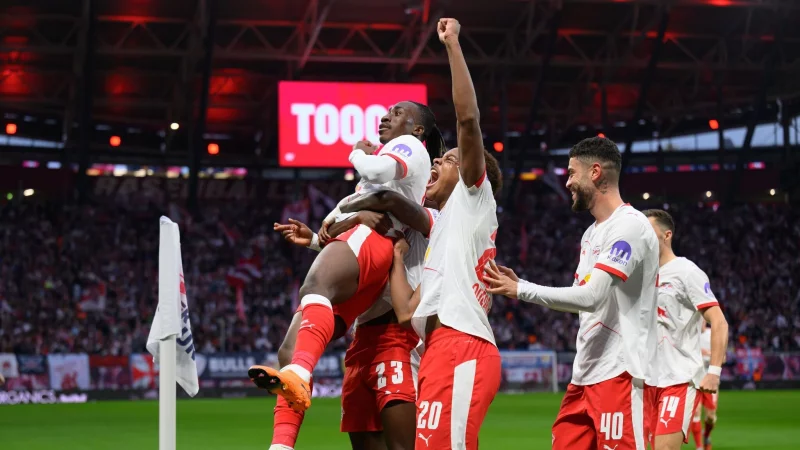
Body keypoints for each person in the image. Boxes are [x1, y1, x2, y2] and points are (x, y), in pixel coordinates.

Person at [248, 98, 446, 417]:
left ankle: (300, 374)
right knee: (290, 351)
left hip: (391, 308)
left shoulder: (412, 158)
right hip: (369, 305)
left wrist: (356, 153)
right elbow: (358, 207)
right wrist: (319, 238)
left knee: (314, 289)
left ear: (417, 130)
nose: (386, 117)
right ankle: (283, 434)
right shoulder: (397, 180)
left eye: (397, 113)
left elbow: (380, 189)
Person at [483, 136, 659, 450]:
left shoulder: (631, 226)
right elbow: (581, 299)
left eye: (571, 173)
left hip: (620, 374)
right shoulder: (591, 234)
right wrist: (522, 284)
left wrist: (522, 289)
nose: (567, 183)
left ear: (595, 172)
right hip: (584, 377)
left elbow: (592, 296)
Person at [378, 18, 504, 450]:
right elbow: (404, 311)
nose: (436, 162)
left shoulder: (474, 199)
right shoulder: (444, 235)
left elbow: (467, 119)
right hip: (436, 351)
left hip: (462, 346)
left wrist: (452, 46)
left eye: (448, 159)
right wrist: (397, 259)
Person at [266, 196, 440, 450]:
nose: (434, 174)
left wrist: (354, 205)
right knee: (288, 351)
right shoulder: (386, 206)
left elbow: (385, 199)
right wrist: (322, 236)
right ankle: (282, 441)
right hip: (360, 344)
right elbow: (357, 242)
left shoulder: (431, 216)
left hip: (397, 339)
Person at [642, 209, 729, 450]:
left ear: (667, 235)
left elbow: (719, 321)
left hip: (677, 379)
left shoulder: (687, 272)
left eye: (648, 232)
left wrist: (714, 372)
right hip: (643, 381)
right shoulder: (639, 276)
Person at [691, 322, 720, 450]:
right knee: (696, 412)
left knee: (710, 417)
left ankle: (706, 435)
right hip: (694, 378)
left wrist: (708, 354)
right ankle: (699, 447)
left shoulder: (712, 334)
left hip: (709, 378)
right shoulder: (690, 334)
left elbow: (723, 357)